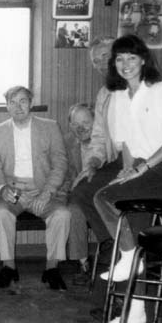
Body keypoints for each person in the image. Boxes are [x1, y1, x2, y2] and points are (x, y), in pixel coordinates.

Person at [70, 36, 162, 276]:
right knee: (82, 191)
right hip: (121, 160)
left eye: (107, 56)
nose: (103, 62)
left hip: (158, 162)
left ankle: (125, 251)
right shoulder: (109, 94)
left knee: (113, 199)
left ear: (141, 59)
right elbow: (100, 136)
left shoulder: (157, 89)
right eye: (97, 60)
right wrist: (93, 162)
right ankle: (113, 242)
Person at [93, 34, 162, 323]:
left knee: (103, 198)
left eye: (131, 58)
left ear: (144, 59)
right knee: (130, 224)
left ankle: (130, 256)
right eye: (119, 59)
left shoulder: (160, 90)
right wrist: (126, 172)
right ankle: (136, 311)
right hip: (139, 168)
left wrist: (142, 168)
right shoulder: (119, 96)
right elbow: (124, 145)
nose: (125, 64)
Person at [0, 86, 70, 291]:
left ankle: (52, 268)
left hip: (41, 191)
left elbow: (60, 163)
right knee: (0, 213)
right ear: (7, 106)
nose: (18, 106)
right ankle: (8, 266)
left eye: (23, 101)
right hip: (12, 192)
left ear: (31, 103)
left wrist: (47, 193)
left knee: (61, 214)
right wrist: (1, 189)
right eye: (13, 102)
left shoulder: (50, 127)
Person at [62, 103, 96, 286]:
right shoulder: (66, 143)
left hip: (104, 192)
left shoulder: (107, 142)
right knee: (74, 210)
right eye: (75, 123)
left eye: (85, 122)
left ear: (95, 122)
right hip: (78, 194)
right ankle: (84, 264)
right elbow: (64, 175)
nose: (80, 128)